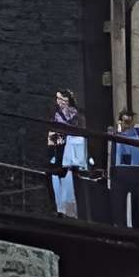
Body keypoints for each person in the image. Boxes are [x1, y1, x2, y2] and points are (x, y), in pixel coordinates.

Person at [110, 112, 139, 229]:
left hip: (137, 170)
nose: (127, 125)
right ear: (120, 122)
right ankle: (121, 230)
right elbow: (112, 154)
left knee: (138, 205)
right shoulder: (116, 134)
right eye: (125, 121)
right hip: (120, 171)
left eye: (130, 121)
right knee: (120, 206)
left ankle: (138, 229)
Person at [47, 89, 85, 218]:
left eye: (62, 99)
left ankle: (70, 211)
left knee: (70, 181)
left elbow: (80, 135)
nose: (59, 102)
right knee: (56, 178)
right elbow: (51, 135)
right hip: (58, 150)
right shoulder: (55, 116)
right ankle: (59, 208)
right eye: (58, 99)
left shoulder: (77, 116)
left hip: (71, 153)